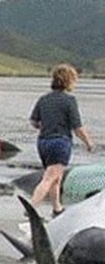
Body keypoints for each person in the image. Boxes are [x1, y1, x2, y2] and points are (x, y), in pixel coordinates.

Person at [29, 63, 94, 217]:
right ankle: (31, 209)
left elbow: (33, 122)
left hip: (43, 142)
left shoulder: (43, 99)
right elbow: (77, 128)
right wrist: (89, 143)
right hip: (60, 143)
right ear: (68, 81)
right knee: (49, 178)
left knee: (56, 178)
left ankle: (57, 209)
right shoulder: (69, 101)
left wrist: (48, 125)